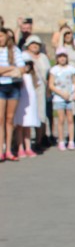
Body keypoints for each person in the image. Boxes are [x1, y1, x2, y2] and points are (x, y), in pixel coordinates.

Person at [0, 28, 25, 161]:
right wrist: (11, 68)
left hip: (13, 87)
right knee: (0, 119)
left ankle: (9, 150)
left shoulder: (14, 50)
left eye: (1, 36)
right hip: (1, 87)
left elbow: (21, 68)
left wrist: (7, 71)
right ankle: (0, 150)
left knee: (10, 119)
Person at [22, 35, 50, 150]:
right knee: (27, 114)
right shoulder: (24, 56)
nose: (35, 46)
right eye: (32, 43)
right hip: (28, 87)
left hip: (41, 87)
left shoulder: (43, 57)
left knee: (41, 113)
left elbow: (48, 73)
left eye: (37, 44)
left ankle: (39, 140)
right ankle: (25, 142)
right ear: (28, 45)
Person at [48, 48, 75, 151]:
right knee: (61, 119)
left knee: (70, 119)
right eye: (60, 57)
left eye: (64, 56)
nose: (62, 59)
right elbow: (51, 85)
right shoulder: (54, 70)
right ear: (57, 58)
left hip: (69, 97)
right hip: (59, 98)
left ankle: (71, 140)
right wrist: (61, 93)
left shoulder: (71, 69)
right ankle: (61, 140)